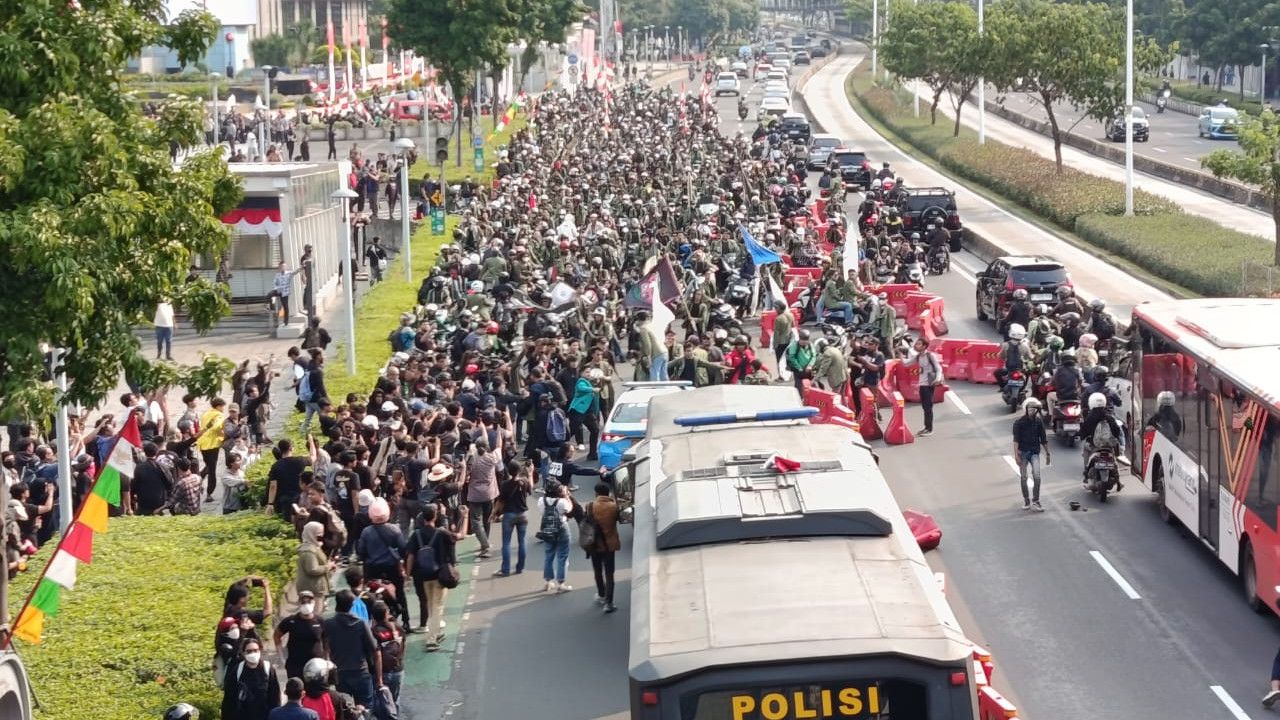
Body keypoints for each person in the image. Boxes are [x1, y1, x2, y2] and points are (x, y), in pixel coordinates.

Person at [322, 589, 383, 709]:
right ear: (351, 605)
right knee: (366, 709)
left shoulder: (329, 624)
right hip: (361, 672)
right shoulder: (360, 624)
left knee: (346, 710)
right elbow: (375, 651)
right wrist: (379, 679)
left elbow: (326, 649)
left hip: (341, 674)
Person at [355, 498, 410, 628]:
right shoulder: (394, 530)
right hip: (392, 568)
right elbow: (403, 550)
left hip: (372, 569)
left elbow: (361, 552)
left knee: (370, 595)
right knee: (400, 593)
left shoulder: (366, 532)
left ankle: (371, 623)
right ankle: (406, 621)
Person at [220, 637, 282, 720]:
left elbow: (275, 697)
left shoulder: (268, 669)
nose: (253, 653)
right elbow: (229, 699)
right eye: (249, 651)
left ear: (260, 651)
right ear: (243, 653)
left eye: (255, 650)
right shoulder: (238, 670)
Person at [273, 589, 327, 681]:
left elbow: (326, 641)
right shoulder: (291, 621)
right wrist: (281, 656)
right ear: (299, 603)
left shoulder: (320, 621)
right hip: (295, 666)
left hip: (316, 665)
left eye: (309, 601)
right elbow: (276, 636)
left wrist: (327, 660)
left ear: (313, 602)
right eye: (303, 602)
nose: (306, 604)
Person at [462, 436, 502, 559]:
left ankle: (484, 544)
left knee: (476, 522)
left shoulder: (471, 459)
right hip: (489, 493)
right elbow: (499, 447)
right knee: (486, 520)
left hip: (475, 495)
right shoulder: (491, 458)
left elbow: (466, 473)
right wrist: (499, 433)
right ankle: (485, 543)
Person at [586, 482, 621, 614]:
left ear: (596, 493)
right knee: (609, 573)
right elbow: (620, 518)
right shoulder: (613, 506)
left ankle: (601, 594)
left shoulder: (590, 506)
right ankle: (609, 603)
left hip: (594, 544)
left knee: (597, 571)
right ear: (608, 493)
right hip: (609, 545)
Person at [1011, 398, 1050, 512]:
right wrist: (1016, 456)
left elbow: (1043, 439)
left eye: (1034, 409)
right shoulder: (1019, 423)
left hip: (1034, 453)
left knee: (1037, 476)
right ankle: (1026, 500)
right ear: (1026, 409)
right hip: (1023, 452)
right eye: (1030, 409)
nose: (1032, 411)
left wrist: (1048, 453)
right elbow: (1016, 441)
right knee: (1024, 477)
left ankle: (1036, 500)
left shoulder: (1038, 422)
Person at [494, 460, 532, 577]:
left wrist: (494, 513)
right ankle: (520, 567)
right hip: (522, 515)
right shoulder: (524, 482)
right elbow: (531, 489)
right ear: (519, 470)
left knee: (506, 543)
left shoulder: (505, 484)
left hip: (509, 515)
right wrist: (530, 474)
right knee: (522, 542)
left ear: (509, 471)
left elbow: (500, 501)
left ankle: (505, 570)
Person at [539, 479, 575, 593]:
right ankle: (561, 583)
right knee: (562, 556)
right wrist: (566, 495)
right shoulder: (561, 502)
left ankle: (548, 582)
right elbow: (569, 509)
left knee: (548, 555)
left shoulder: (541, 500)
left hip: (547, 529)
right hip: (562, 528)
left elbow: (541, 512)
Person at [902, 336, 942, 436]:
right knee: (925, 407)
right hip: (922, 384)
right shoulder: (918, 356)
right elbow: (906, 364)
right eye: (916, 343)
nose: (916, 345)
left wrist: (937, 379)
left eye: (919, 344)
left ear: (924, 346)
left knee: (928, 407)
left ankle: (930, 429)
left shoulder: (930, 355)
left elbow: (938, 368)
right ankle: (926, 427)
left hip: (929, 384)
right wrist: (900, 355)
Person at [1080, 392, 1124, 481]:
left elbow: (1083, 432)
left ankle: (1086, 472)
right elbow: (1117, 431)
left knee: (1085, 449)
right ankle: (1119, 480)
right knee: (1115, 460)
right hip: (1109, 445)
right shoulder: (1109, 417)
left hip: (1094, 445)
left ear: (1091, 403)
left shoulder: (1090, 418)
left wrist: (1081, 435)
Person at [369, 600, 405, 702]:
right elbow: (403, 646)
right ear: (386, 613)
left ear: (373, 616)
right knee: (394, 701)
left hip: (382, 673)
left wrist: (379, 679)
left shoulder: (373, 632)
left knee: (382, 702)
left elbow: (377, 656)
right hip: (398, 669)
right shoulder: (398, 628)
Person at [197, 398, 228, 502]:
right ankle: (209, 492)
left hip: (202, 443)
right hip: (212, 444)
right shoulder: (219, 415)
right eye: (223, 406)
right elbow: (216, 427)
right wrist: (222, 432)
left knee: (209, 465)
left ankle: (199, 477)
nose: (223, 408)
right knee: (212, 469)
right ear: (218, 406)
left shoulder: (206, 413)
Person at [295, 521, 334, 604]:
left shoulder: (313, 547)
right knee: (316, 613)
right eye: (319, 533)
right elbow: (312, 569)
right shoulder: (309, 551)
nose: (321, 535)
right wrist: (328, 567)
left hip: (314, 587)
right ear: (311, 533)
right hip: (313, 589)